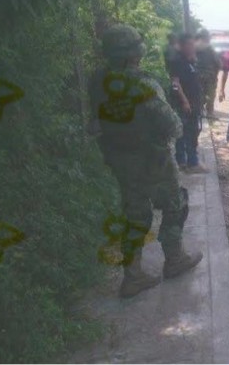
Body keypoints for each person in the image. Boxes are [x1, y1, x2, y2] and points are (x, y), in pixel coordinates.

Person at [88, 24, 203, 298]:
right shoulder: (144, 83)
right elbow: (173, 127)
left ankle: (132, 276)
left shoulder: (97, 80)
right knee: (175, 204)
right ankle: (174, 260)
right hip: (153, 160)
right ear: (133, 54)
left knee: (135, 214)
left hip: (118, 158)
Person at [170, 33, 208, 173]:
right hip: (185, 104)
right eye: (190, 45)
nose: (193, 47)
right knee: (188, 133)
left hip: (194, 102)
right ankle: (191, 163)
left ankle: (183, 162)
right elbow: (175, 83)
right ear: (182, 46)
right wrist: (184, 101)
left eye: (193, 44)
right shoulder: (177, 61)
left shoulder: (189, 61)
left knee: (189, 132)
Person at [195, 29, 221, 119]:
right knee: (210, 94)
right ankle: (209, 113)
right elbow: (218, 63)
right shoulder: (211, 48)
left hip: (196, 75)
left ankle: (199, 111)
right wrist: (216, 74)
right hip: (209, 75)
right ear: (207, 37)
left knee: (198, 93)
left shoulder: (193, 47)